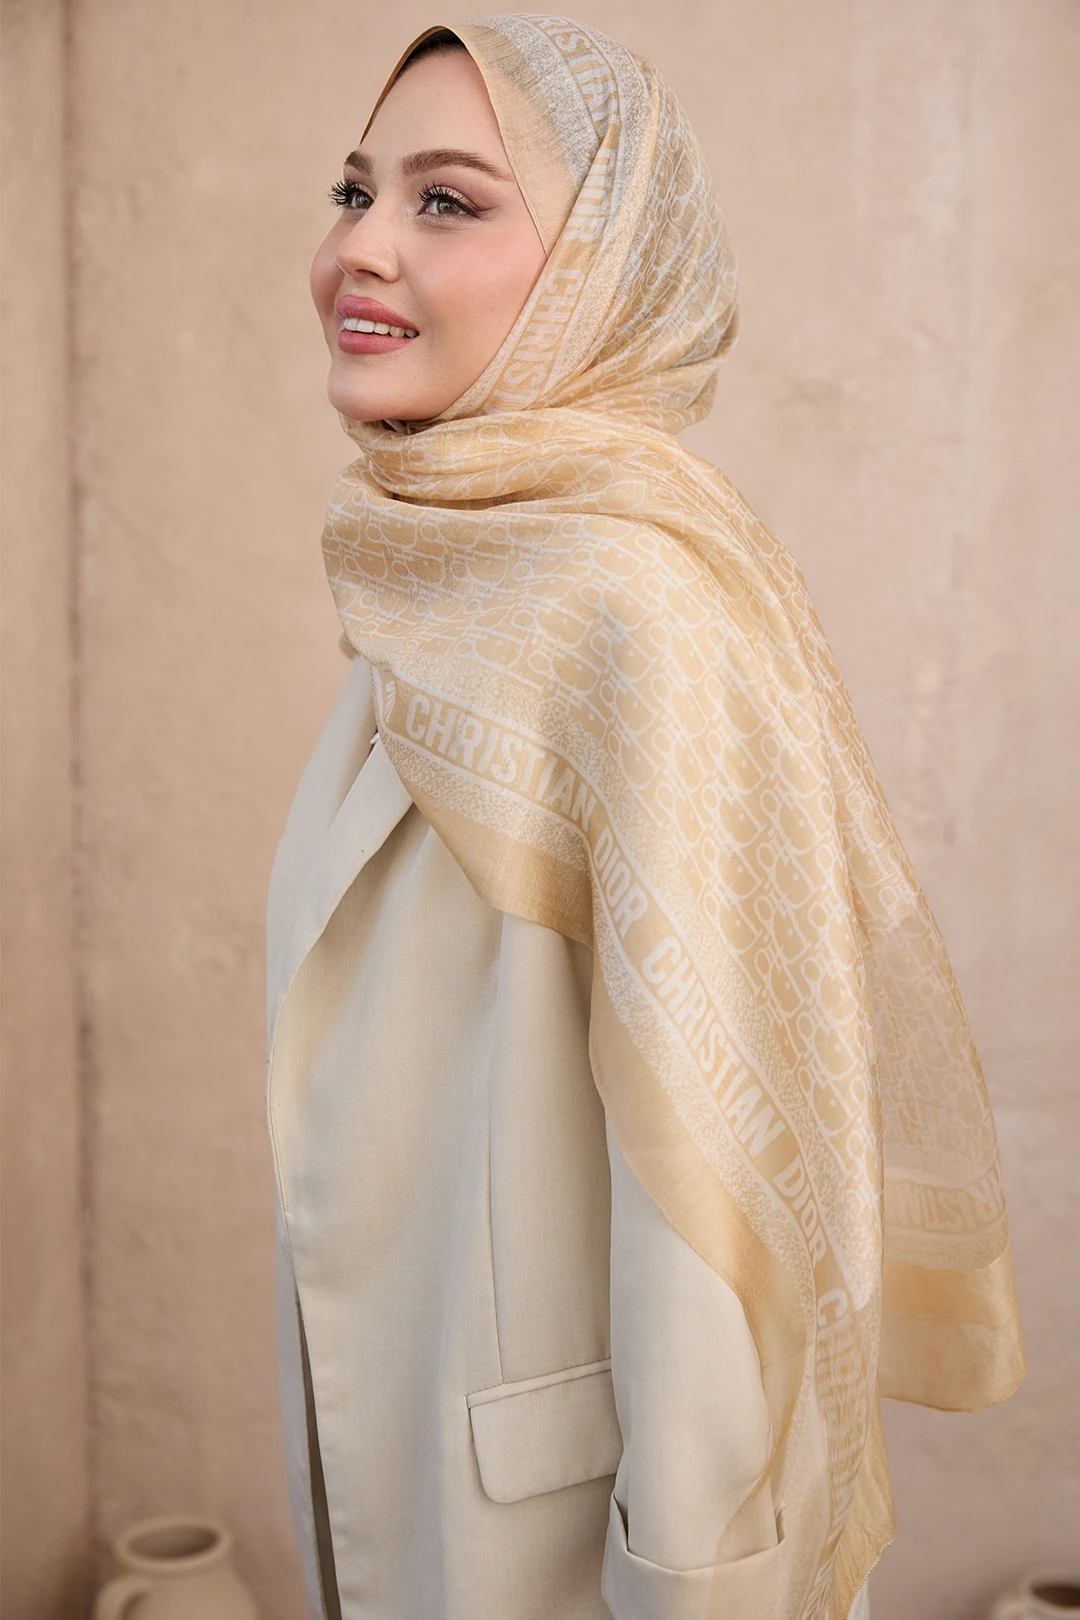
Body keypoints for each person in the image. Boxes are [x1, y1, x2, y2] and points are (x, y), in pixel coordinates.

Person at [265, 17, 1027, 1620]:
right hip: (427, 1473)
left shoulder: (628, 608)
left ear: (604, 262)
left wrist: (694, 1580)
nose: (362, 247)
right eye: (354, 189)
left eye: (447, 199)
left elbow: (711, 1169)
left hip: (576, 1550)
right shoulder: (444, 572)